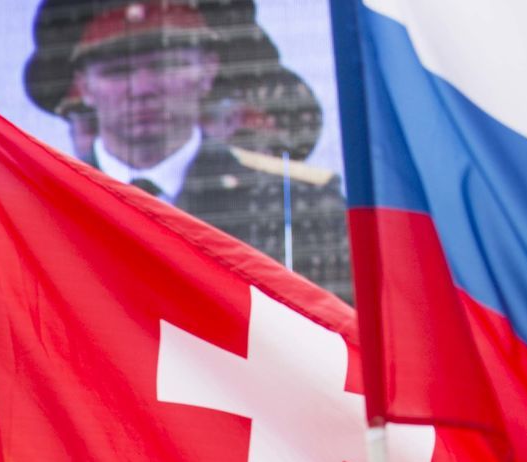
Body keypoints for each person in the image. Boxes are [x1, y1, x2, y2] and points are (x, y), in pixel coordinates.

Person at [21, 0, 350, 299]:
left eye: (167, 65)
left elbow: (343, 328)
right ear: (84, 86)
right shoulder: (38, 211)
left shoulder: (295, 203)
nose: (143, 88)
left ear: (208, 70)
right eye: (117, 71)